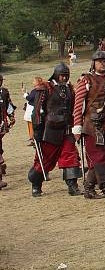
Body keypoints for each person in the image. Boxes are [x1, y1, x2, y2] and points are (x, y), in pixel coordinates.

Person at [72, 51, 105, 200]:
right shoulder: (86, 80)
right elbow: (78, 105)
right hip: (92, 125)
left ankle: (88, 189)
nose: (102, 63)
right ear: (93, 63)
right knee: (98, 157)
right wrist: (77, 125)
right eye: (99, 61)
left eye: (104, 61)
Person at [26, 64, 82, 197]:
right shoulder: (45, 88)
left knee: (71, 156)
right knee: (44, 160)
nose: (64, 78)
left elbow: (73, 108)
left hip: (66, 128)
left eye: (66, 75)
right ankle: (36, 184)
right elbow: (38, 111)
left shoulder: (69, 89)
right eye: (62, 75)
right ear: (56, 74)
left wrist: (77, 125)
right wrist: (37, 131)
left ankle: (72, 186)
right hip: (50, 130)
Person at [0, 74, 16, 190]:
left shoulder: (4, 92)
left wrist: (11, 117)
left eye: (1, 80)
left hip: (1, 123)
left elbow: (9, 106)